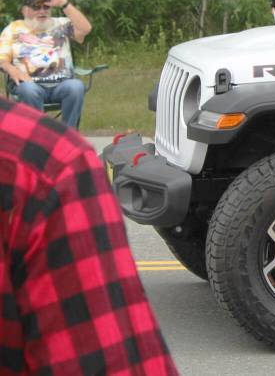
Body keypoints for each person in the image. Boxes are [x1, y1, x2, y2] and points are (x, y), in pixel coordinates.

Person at [0, 98, 179, 374]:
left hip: (54, 81)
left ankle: (70, 123)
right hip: (31, 88)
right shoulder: (46, 161)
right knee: (31, 90)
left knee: (72, 87)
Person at [0, 0, 92, 128]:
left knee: (76, 86)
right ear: (25, 10)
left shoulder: (61, 24)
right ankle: (38, 136)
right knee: (29, 90)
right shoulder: (13, 28)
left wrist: (63, 2)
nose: (42, 11)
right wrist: (12, 70)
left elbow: (86, 29)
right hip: (30, 83)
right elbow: (1, 59)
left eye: (46, 7)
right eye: (36, 7)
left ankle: (68, 135)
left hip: (62, 83)